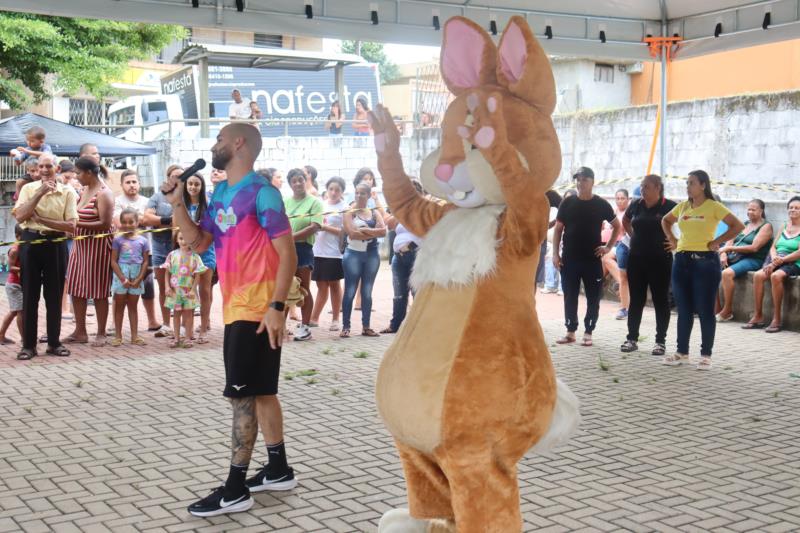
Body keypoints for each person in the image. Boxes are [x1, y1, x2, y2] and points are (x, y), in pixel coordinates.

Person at [162, 123, 298, 517]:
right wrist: (177, 204)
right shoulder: (221, 193)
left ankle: (235, 490)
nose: (214, 145)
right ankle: (278, 469)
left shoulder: (263, 192)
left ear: (239, 144)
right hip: (237, 306)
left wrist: (277, 307)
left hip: (257, 309)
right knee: (262, 390)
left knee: (242, 396)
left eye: (220, 139)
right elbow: (199, 242)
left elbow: (288, 254)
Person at [661, 170, 744, 370]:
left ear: (703, 185)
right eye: (687, 183)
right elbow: (665, 220)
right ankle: (682, 352)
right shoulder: (683, 206)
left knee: (705, 310)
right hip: (682, 261)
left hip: (705, 263)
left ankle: (706, 355)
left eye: (691, 183)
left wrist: (717, 242)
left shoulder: (713, 206)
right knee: (684, 310)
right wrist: (672, 238)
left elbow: (737, 225)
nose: (688, 187)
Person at [13, 153, 78, 360]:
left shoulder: (67, 191)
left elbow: (71, 226)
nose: (44, 170)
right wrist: (39, 193)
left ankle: (53, 343)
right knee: (30, 295)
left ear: (57, 169)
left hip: (56, 243)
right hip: (31, 242)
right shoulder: (28, 189)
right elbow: (20, 216)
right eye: (40, 166)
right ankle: (28, 346)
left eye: (48, 166)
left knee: (54, 296)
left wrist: (41, 220)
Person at [552, 167, 621, 347]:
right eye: (578, 180)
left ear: (592, 182)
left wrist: (608, 247)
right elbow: (558, 229)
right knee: (570, 296)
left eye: (584, 180)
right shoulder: (567, 203)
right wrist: (555, 254)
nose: (580, 183)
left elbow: (617, 226)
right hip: (569, 259)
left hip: (592, 259)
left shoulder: (601, 204)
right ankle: (570, 331)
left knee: (593, 297)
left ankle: (588, 331)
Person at [619, 175, 676, 355]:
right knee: (636, 299)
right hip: (636, 258)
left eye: (647, 187)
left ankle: (660, 342)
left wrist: (676, 241)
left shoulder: (669, 206)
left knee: (660, 300)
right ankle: (632, 339)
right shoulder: (636, 204)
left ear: (658, 188)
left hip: (660, 260)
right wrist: (633, 236)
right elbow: (625, 221)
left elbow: (687, 224)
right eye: (642, 186)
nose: (643, 190)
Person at [63, 156, 114, 347]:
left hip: (98, 247)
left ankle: (101, 332)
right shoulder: (84, 190)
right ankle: (80, 331)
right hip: (80, 246)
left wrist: (75, 224)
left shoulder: (104, 193)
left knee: (99, 290)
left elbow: (105, 224)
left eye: (78, 173)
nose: (76, 176)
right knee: (76, 288)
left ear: (89, 173)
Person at [113, 169, 162, 332]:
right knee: (120, 288)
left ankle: (152, 321)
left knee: (148, 286)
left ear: (139, 184)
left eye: (134, 181)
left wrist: (137, 218)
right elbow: (119, 223)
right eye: (128, 182)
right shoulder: (117, 201)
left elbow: (152, 221)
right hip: (122, 254)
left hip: (145, 250)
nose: (132, 185)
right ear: (122, 185)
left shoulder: (148, 201)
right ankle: (115, 324)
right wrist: (142, 219)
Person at [743, 196, 800, 333]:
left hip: (793, 261)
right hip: (776, 259)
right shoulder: (784, 226)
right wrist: (774, 258)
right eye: (791, 207)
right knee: (758, 276)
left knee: (776, 276)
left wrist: (780, 260)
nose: (793, 210)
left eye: (797, 208)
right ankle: (758, 316)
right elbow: (773, 246)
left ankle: (777, 319)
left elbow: (799, 252)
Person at [341, 182, 386, 338]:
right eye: (357, 193)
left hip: (372, 254)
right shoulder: (349, 212)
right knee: (350, 291)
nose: (359, 196)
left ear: (368, 196)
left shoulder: (374, 212)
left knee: (367, 291)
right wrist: (373, 232)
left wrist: (365, 230)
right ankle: (345, 327)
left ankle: (366, 326)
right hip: (353, 254)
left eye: (362, 193)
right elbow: (352, 234)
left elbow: (384, 232)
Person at [716, 199, 773, 322]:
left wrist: (729, 248)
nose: (750, 212)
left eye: (753, 209)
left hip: (754, 259)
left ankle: (727, 311)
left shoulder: (766, 226)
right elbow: (730, 240)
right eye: (748, 209)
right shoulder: (744, 224)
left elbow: (754, 247)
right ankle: (716, 307)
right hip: (735, 256)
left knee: (727, 273)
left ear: (761, 211)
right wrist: (724, 253)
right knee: (711, 269)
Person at [284, 168, 324, 341]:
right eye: (294, 181)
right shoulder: (285, 202)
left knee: (303, 288)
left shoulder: (315, 203)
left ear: (306, 181)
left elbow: (314, 226)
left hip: (303, 249)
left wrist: (291, 238)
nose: (298, 183)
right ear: (290, 184)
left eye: (301, 180)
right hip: (285, 250)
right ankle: (281, 325)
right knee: (284, 287)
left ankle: (305, 327)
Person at [380, 180, 424, 334]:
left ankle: (419, 326)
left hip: (414, 254)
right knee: (399, 293)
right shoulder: (402, 210)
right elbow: (390, 224)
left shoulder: (423, 210)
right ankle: (395, 325)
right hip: (398, 257)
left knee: (417, 292)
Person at [143, 165, 181, 338]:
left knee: (182, 286)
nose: (177, 179)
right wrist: (169, 220)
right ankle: (166, 324)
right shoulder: (157, 197)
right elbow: (147, 218)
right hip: (160, 247)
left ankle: (183, 325)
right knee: (163, 287)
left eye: (181, 176)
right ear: (167, 177)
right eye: (174, 176)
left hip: (182, 248)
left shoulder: (188, 195)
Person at [309, 176, 347, 331]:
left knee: (334, 285)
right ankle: (314, 318)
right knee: (321, 285)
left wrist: (325, 228)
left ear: (342, 191)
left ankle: (336, 319)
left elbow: (345, 232)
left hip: (334, 252)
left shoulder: (345, 207)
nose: (333, 192)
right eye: (331, 189)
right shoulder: (321, 205)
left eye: (337, 190)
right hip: (318, 251)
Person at [110, 208, 150, 347]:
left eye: (131, 222)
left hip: (136, 276)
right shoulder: (117, 240)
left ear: (137, 222)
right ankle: (118, 336)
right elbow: (113, 261)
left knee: (133, 307)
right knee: (119, 306)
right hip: (121, 276)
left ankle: (134, 336)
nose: (127, 225)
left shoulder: (143, 241)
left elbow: (145, 262)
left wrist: (139, 278)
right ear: (120, 223)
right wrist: (122, 278)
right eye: (124, 222)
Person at [162, 229, 207, 348]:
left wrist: (193, 290)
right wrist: (167, 287)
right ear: (177, 240)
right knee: (176, 314)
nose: (184, 241)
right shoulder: (172, 255)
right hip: (175, 291)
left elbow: (198, 275)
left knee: (188, 315)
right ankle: (176, 338)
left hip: (188, 292)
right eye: (181, 238)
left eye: (186, 238)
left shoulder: (195, 257)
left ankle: (187, 338)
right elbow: (167, 272)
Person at [185, 172, 216, 343]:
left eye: (196, 184)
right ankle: (188, 330)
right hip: (187, 254)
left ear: (202, 186)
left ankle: (204, 329)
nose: (193, 187)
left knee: (205, 291)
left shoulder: (208, 205)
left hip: (206, 252)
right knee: (188, 290)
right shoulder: (183, 206)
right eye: (190, 183)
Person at [602, 189, 631, 320]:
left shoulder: (629, 212)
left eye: (622, 198)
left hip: (622, 244)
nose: (620, 201)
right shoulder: (613, 211)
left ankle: (620, 284)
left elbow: (624, 232)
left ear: (628, 199)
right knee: (602, 258)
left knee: (606, 258)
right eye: (617, 198)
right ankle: (618, 284)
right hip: (611, 244)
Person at [0, 225, 24, 345]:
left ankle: (1, 335)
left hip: (19, 284)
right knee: (20, 311)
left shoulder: (23, 246)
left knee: (14, 311)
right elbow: (10, 268)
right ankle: (25, 338)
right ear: (17, 236)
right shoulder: (15, 250)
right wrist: (25, 269)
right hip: (14, 285)